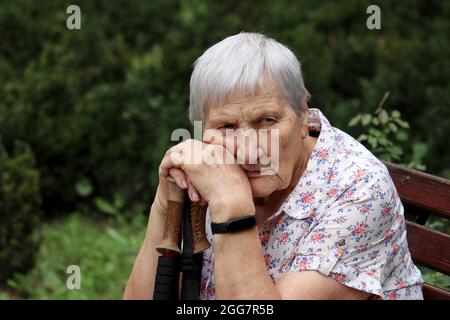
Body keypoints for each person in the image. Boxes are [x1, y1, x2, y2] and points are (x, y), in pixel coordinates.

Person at [124, 32, 423, 300]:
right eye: (226, 126)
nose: (248, 149)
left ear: (303, 115)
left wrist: (232, 204)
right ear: (201, 129)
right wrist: (166, 205)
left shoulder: (358, 189)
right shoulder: (207, 167)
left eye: (266, 121)